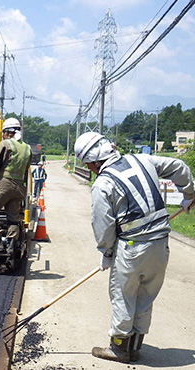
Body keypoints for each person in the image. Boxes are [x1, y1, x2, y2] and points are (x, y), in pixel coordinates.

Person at [74, 132, 195, 364]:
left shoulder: (103, 183)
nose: (88, 169)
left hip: (132, 247)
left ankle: (119, 348)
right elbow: (179, 167)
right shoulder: (143, 160)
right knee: (145, 295)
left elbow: (103, 223)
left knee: (123, 296)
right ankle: (135, 347)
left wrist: (106, 252)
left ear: (96, 159)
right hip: (160, 244)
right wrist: (189, 193)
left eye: (88, 164)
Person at [0, 118, 31, 252]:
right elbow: (26, 169)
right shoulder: (27, 148)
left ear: (7, 132)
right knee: (13, 218)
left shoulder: (6, 144)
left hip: (5, 183)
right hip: (20, 187)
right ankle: (11, 244)